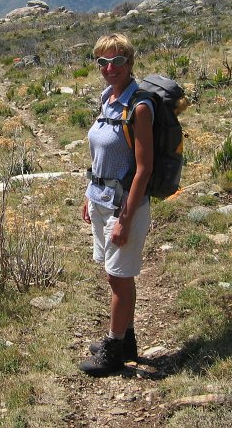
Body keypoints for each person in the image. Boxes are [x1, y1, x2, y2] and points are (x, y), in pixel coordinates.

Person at [79, 33, 153, 377]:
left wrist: (125, 218)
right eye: (103, 62)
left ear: (130, 62)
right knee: (116, 277)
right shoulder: (107, 98)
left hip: (124, 207)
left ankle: (114, 348)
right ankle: (127, 340)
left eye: (117, 61)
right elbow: (102, 153)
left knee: (118, 279)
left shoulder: (139, 107)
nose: (110, 68)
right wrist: (89, 194)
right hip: (101, 200)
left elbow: (144, 169)